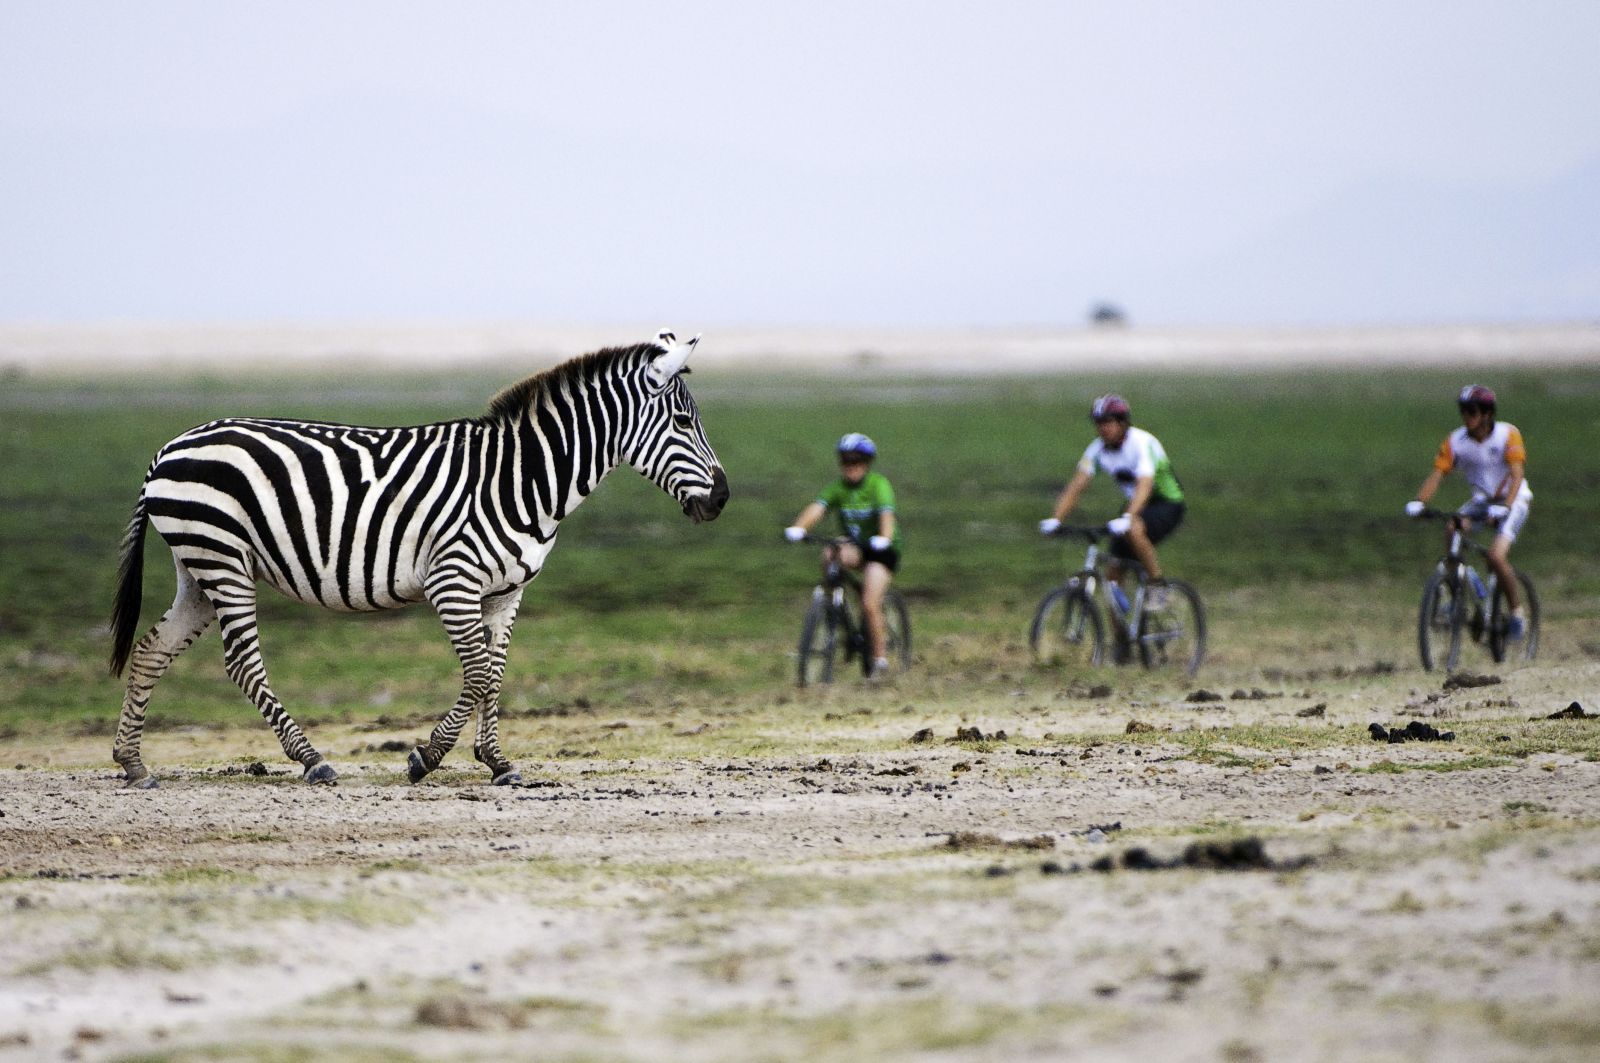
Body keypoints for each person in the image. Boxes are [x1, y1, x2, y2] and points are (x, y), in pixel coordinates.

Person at [1405, 384, 1531, 639]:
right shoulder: (1456, 441)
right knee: (1452, 528)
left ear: (1486, 413)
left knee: (1495, 557)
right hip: (1482, 501)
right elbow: (1438, 473)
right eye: (1463, 411)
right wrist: (1420, 502)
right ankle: (1455, 591)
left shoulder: (1508, 435)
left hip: (1513, 500)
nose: (1466, 416)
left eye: (1471, 411)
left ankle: (1518, 613)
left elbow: (1517, 474)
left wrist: (1505, 506)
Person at [1039, 394, 1185, 607]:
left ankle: (1157, 584)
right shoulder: (1097, 450)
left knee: (1133, 529)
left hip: (1166, 504)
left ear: (1122, 422)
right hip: (1134, 507)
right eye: (1098, 423)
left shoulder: (1142, 443)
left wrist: (1128, 516)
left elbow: (1145, 485)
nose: (1102, 428)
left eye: (1107, 422)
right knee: (1112, 581)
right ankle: (1120, 638)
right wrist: (1056, 520)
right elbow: (1075, 487)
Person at [784, 433, 902, 678]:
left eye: (856, 460)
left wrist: (884, 538)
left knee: (870, 603)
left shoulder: (878, 485)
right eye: (846, 460)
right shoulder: (838, 488)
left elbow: (887, 518)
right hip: (857, 547)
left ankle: (879, 660)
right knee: (831, 551)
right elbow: (818, 508)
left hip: (882, 551)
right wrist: (800, 528)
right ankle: (831, 602)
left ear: (867, 463)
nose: (851, 466)